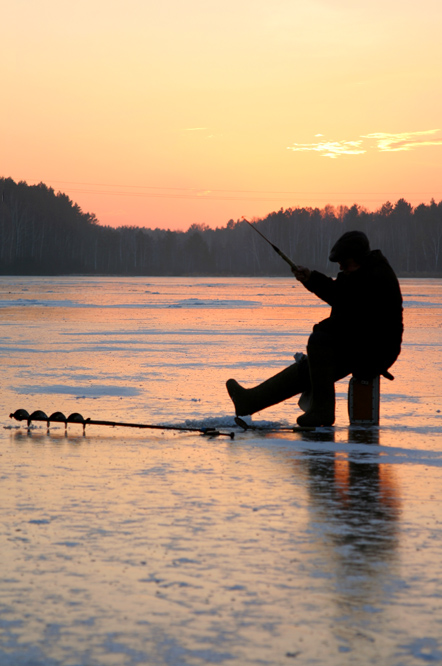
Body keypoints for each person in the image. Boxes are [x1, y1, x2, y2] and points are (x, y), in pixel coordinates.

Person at [226, 230, 403, 427]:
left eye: (344, 263)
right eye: (340, 264)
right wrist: (310, 279)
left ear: (357, 258)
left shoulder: (377, 278)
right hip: (362, 342)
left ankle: (322, 412)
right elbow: (340, 295)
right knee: (314, 360)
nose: (341, 268)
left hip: (377, 349)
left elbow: (352, 316)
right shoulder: (359, 273)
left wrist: (321, 330)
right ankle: (250, 401)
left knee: (320, 342)